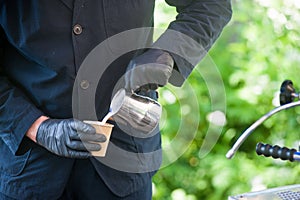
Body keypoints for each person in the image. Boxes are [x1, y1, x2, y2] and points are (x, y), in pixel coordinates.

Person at [0, 0, 232, 199]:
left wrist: (168, 54)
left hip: (125, 165)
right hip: (27, 168)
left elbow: (209, 5)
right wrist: (34, 127)